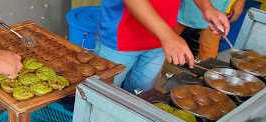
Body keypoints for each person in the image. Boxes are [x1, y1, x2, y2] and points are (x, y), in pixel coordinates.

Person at [97, 0, 230, 92]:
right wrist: (168, 36)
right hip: (120, 39)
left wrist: (207, 8)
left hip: (159, 42)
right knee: (103, 92)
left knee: (139, 94)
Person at [176, 0, 246, 60]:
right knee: (168, 42)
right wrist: (208, 8)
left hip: (217, 6)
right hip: (182, 7)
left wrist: (240, 2)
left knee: (209, 54)